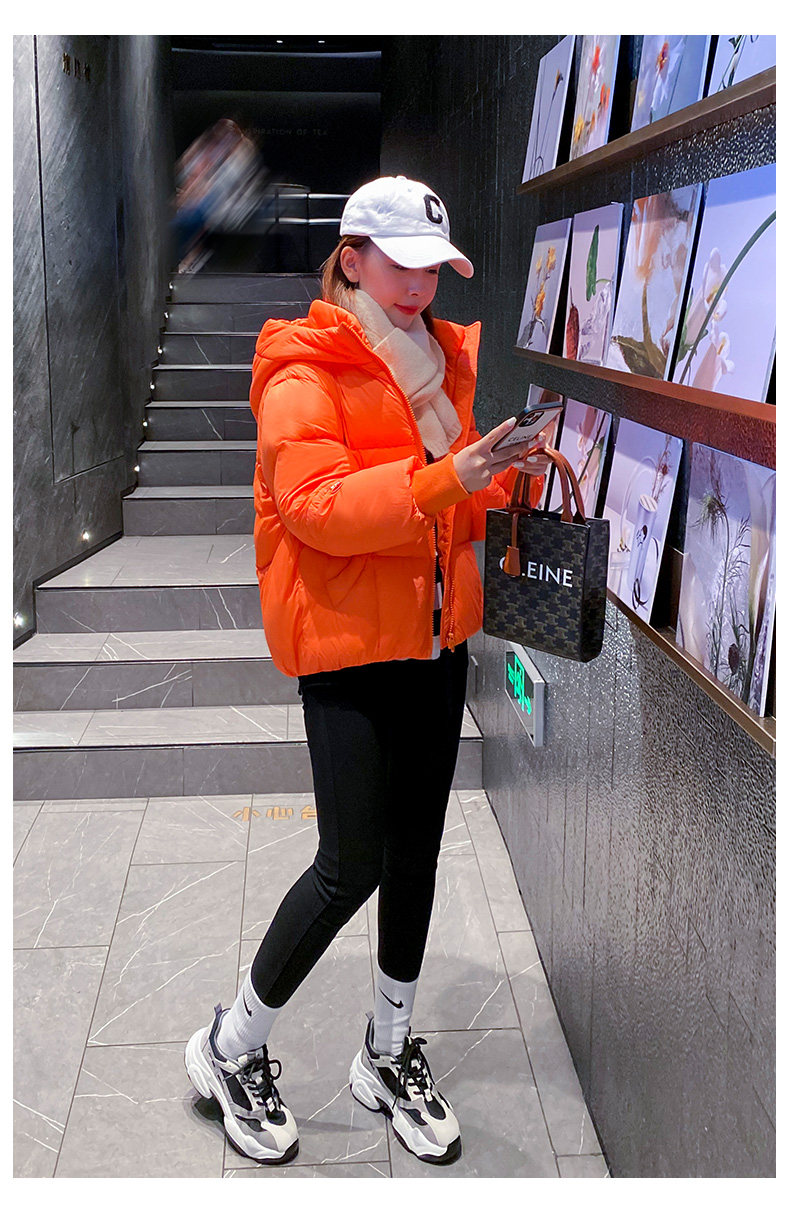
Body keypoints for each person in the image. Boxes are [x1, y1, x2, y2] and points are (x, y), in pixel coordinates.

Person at [185, 175, 550, 1166]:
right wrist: (447, 477)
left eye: (435, 269)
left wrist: (497, 474)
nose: (422, 286)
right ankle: (230, 1044)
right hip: (349, 650)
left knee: (416, 853)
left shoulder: (438, 362)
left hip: (435, 643)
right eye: (403, 264)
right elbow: (319, 508)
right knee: (349, 866)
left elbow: (443, 508)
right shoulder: (303, 369)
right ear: (351, 258)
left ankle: (386, 1052)